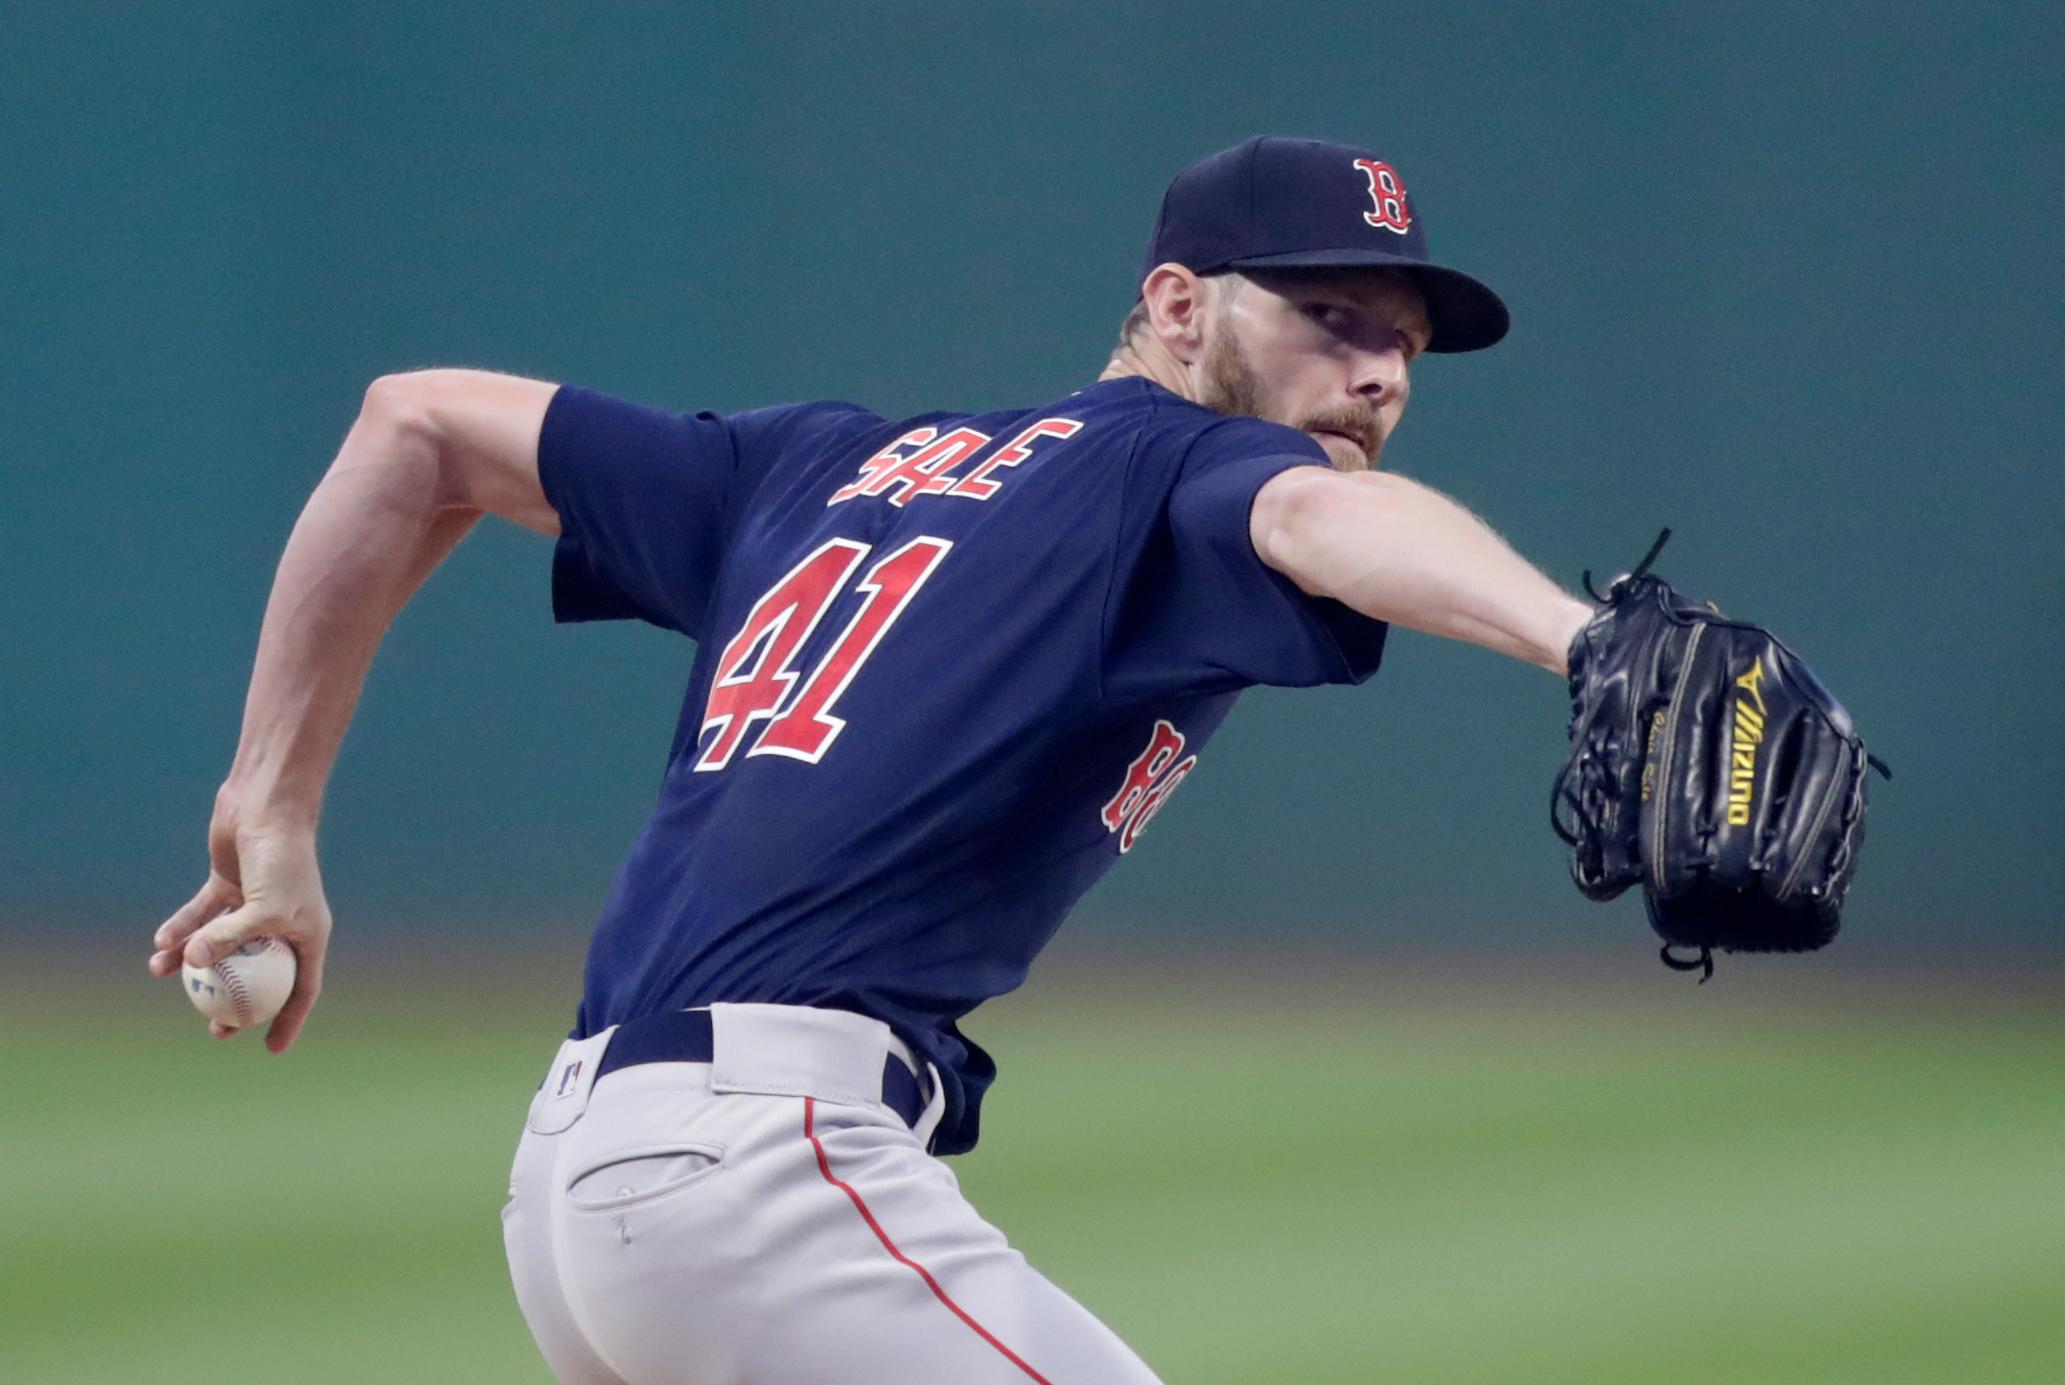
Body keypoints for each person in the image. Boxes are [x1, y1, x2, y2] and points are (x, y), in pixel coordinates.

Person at [150, 136, 1594, 1383]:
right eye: (1327, 313)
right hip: (762, 1173)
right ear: (1172, 304)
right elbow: (1321, 523)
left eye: (1400, 342)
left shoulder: (820, 466)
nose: (1373, 372)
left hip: (580, 1183)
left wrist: (268, 809)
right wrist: (1579, 641)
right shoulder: (1178, 462)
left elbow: (417, 426)